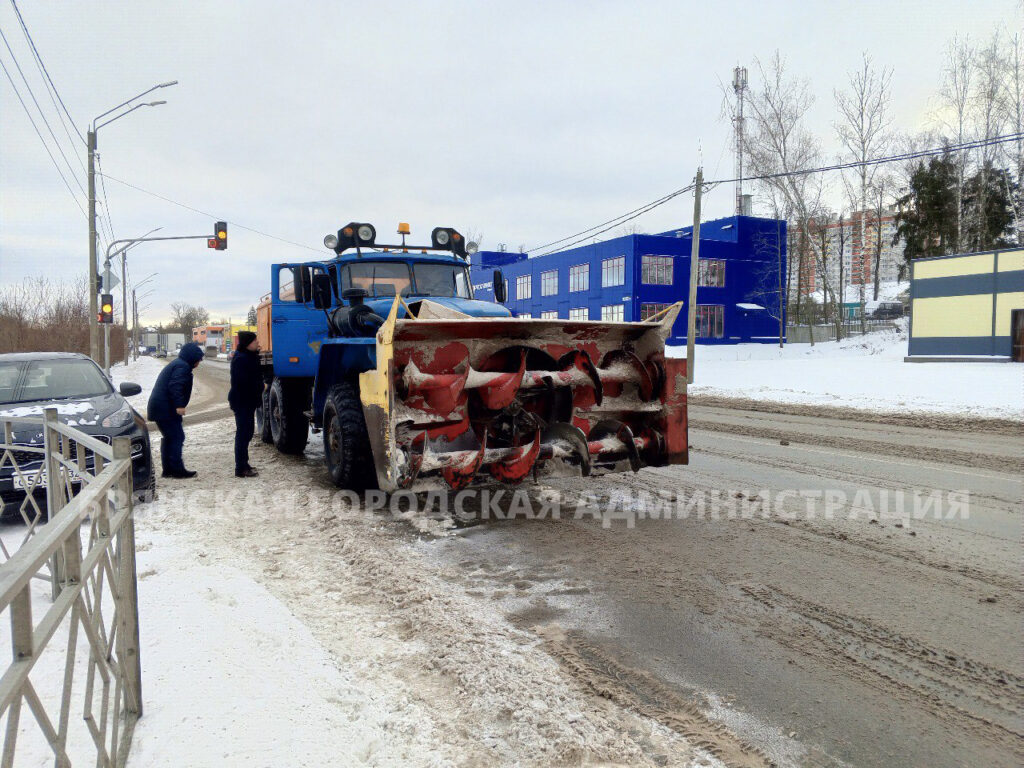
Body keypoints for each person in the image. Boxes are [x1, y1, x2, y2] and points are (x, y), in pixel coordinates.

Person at [147, 341, 204, 478]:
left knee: (170, 437)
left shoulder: (179, 364)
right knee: (177, 436)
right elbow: (175, 386)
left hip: (161, 407)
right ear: (192, 358)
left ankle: (169, 470)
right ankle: (177, 470)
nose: (199, 363)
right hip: (165, 408)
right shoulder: (182, 367)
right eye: (199, 359)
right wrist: (179, 405)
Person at [228, 331, 263, 478]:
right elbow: (243, 382)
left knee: (247, 433)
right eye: (255, 341)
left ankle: (244, 464)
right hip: (242, 401)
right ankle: (240, 468)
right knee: (243, 434)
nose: (258, 344)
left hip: (246, 401)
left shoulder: (247, 356)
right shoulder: (241, 359)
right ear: (248, 343)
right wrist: (260, 386)